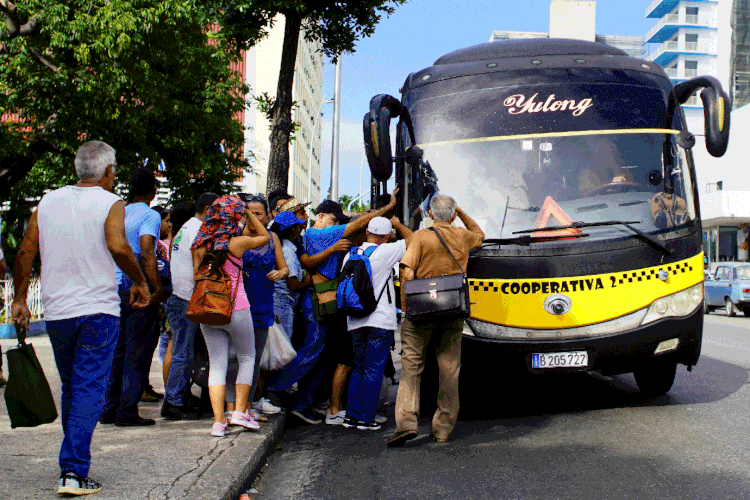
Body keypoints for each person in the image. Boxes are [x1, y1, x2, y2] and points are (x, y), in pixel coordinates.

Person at [11, 140, 150, 496]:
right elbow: (119, 246)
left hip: (58, 312)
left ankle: (72, 463)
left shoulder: (48, 200)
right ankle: (73, 471)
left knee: (74, 387)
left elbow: (27, 249)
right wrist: (139, 281)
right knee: (89, 387)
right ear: (108, 171)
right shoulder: (111, 202)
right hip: (98, 310)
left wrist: (21, 299)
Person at [269, 190, 398, 425]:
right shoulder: (323, 234)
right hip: (317, 302)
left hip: (321, 302)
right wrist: (385, 210)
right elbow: (354, 227)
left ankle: (303, 403)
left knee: (323, 356)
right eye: (334, 219)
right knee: (311, 352)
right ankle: (273, 388)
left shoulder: (308, 236)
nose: (338, 224)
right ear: (322, 217)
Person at [387, 193, 485, 447]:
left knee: (411, 368)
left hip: (421, 311)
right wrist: (460, 212)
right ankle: (442, 429)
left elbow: (407, 271)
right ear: (452, 215)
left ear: (430, 214)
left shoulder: (421, 237)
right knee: (449, 370)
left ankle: (407, 424)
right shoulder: (462, 236)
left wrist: (406, 308)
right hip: (452, 311)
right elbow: (480, 234)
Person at [191, 195, 270, 437]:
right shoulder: (236, 243)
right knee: (247, 357)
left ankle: (218, 422)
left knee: (217, 363)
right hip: (236, 308)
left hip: (208, 309)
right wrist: (248, 213)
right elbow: (265, 237)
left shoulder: (199, 245)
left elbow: (196, 276)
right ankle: (239, 412)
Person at [101, 168, 165, 427]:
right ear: (153, 191)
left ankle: (109, 408)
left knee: (117, 350)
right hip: (135, 283)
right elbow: (147, 250)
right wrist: (155, 287)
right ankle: (127, 410)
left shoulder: (118, 212)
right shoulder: (150, 214)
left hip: (113, 284)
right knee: (137, 351)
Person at [341, 216, 412, 431]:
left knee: (359, 368)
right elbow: (414, 238)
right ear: (387, 236)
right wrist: (398, 223)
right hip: (379, 319)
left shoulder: (349, 256)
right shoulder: (385, 251)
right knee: (374, 369)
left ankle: (352, 416)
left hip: (354, 319)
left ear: (366, 234)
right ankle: (366, 418)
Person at [161, 194, 219, 420]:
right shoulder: (198, 230)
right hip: (187, 298)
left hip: (179, 297)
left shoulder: (186, 228)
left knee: (182, 351)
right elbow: (201, 267)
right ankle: (174, 402)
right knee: (182, 353)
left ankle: (178, 396)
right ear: (206, 209)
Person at [239, 195, 288, 417]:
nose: (253, 217)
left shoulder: (272, 238)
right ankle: (237, 406)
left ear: (267, 216)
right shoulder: (236, 236)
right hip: (239, 304)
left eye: (258, 213)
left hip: (262, 304)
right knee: (235, 358)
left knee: (255, 358)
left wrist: (280, 273)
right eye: (249, 211)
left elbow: (284, 268)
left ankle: (250, 403)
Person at [270, 212, 312, 340]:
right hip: (282, 301)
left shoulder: (279, 246)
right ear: (293, 229)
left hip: (278, 300)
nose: (300, 230)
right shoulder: (287, 251)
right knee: (283, 344)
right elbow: (292, 284)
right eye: (298, 227)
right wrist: (308, 280)